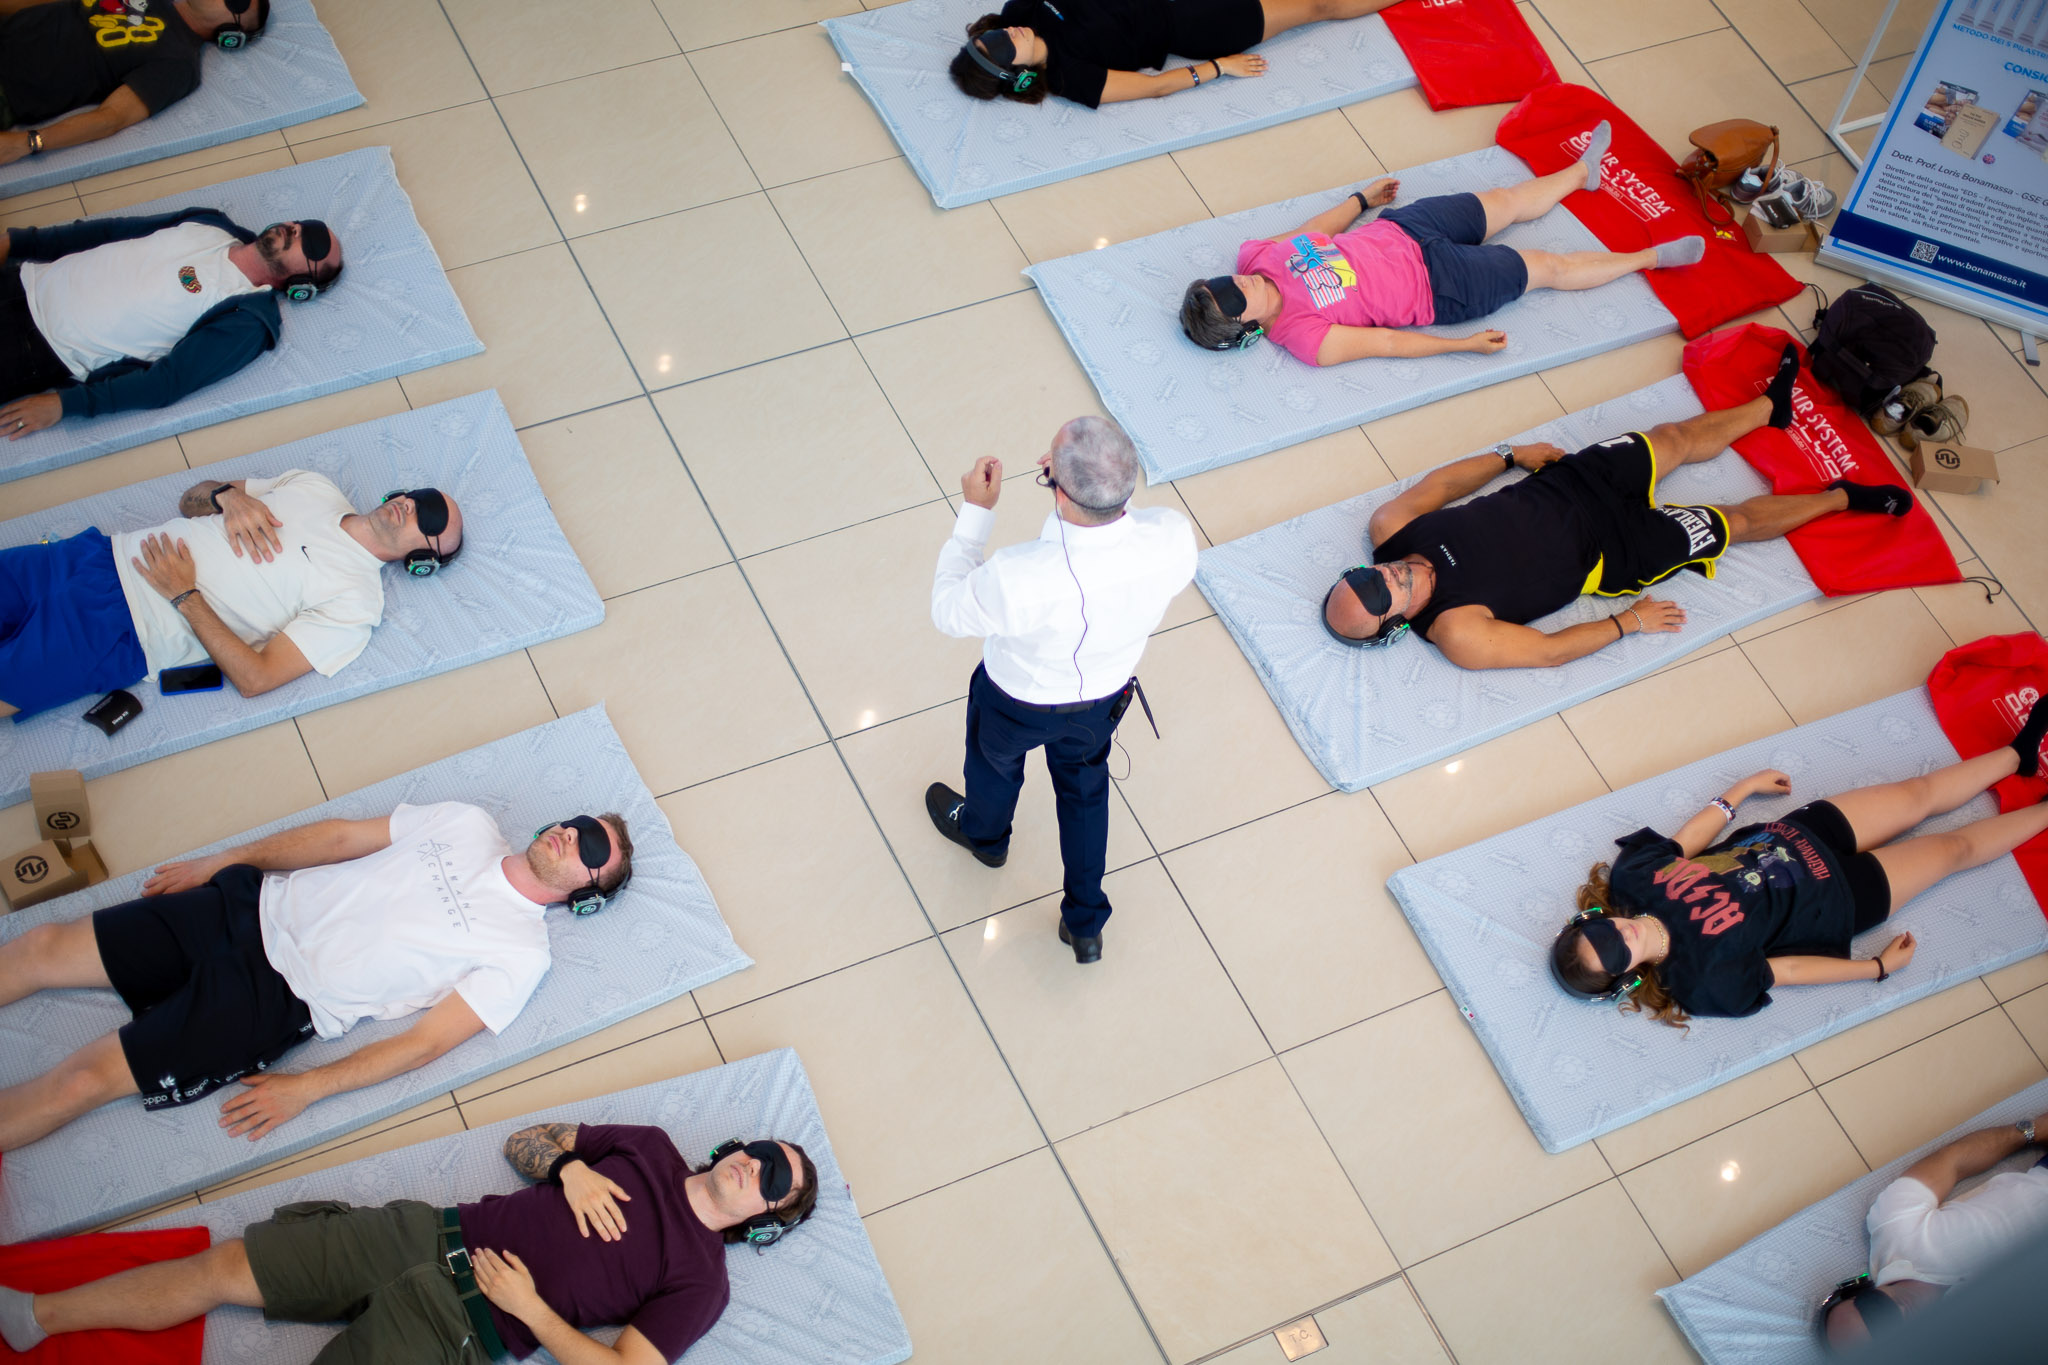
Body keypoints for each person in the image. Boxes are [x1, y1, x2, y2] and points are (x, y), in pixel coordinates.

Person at [0, 805, 634, 1151]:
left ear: (586, 897)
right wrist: (226, 859)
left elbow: (424, 1044)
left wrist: (308, 1088)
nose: (570, 835)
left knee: (82, 1081)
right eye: (577, 824)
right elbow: (337, 839)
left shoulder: (523, 954)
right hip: (245, 906)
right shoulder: (468, 822)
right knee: (42, 946)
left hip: (274, 1000)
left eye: (591, 850)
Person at [0, 1117, 816, 1364]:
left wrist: (533, 1308)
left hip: (462, 1325)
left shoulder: (702, 1280)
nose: (756, 1164)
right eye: (761, 1150)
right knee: (226, 1265)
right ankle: (35, 1315)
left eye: (774, 1178)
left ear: (766, 1220)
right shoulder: (650, 1146)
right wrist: (570, 1168)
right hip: (424, 1232)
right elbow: (526, 1140)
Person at [1318, 344, 1920, 668]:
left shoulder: (1390, 527)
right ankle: (1842, 497)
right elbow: (1549, 652)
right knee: (1729, 521)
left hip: (1570, 484)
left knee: (1672, 437)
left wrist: (1510, 455)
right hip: (1614, 553)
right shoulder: (1456, 631)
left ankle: (1771, 409)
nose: (1383, 577)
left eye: (1363, 576)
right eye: (1378, 597)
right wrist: (1627, 623)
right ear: (1394, 628)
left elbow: (1443, 485)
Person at [1548, 698, 2048, 1025]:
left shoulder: (1634, 878)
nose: (1623, 934)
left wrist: (1741, 789)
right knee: (1951, 850)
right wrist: (1874, 968)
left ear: (1593, 919)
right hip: (1839, 901)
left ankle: (2017, 754)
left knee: (1916, 795)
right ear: (1628, 978)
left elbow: (1686, 841)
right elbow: (1786, 970)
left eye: (1603, 932)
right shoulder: (1700, 980)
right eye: (1616, 953)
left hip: (1797, 836)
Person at [926, 416, 1196, 963]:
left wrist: (975, 514)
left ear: (1059, 491)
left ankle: (986, 839)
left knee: (993, 767)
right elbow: (1123, 527)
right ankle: (1085, 923)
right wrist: (1082, 478)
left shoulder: (1019, 575)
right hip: (1102, 701)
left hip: (1014, 702)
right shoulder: (1171, 535)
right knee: (1085, 795)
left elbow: (947, 611)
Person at [1178, 127, 1709, 367]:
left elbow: (1315, 228)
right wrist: (1463, 346)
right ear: (1246, 327)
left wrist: (1362, 200)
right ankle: (1652, 258)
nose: (1237, 281)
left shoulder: (1254, 257)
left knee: (1503, 200)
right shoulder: (1303, 337)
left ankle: (1581, 173)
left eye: (1221, 282)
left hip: (1404, 229)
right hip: (1441, 285)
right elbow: (1387, 343)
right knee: (1547, 266)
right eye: (1233, 296)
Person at [0, 474, 463, 721]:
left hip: (122, 630)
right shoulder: (316, 487)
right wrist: (227, 496)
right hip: (93, 556)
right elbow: (191, 499)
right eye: (418, 495)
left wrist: (184, 594)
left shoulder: (356, 604)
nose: (411, 504)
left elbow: (256, 678)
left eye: (429, 518)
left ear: (423, 560)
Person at [0, 212, 343, 436]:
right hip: (21, 279)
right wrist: (18, 242)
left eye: (311, 244)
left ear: (302, 287)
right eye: (303, 224)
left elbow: (167, 382)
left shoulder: (248, 320)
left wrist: (66, 404)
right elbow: (111, 232)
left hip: (36, 347)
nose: (295, 228)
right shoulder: (211, 223)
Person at [1819, 1105, 2048, 1350]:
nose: (1901, 1313)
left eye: (1875, 1310)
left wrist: (2033, 1130)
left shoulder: (1894, 1229)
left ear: (1860, 1292)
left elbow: (1954, 1161)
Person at [951, 0, 1406, 110]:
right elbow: (1155, 86)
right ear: (1016, 73)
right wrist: (1218, 68)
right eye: (1003, 46)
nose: (1006, 33)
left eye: (991, 35)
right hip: (1195, 19)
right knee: (1316, 5)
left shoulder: (1021, 11)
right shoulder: (1071, 75)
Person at [0, 0, 268, 167]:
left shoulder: (179, 64)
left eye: (238, 2)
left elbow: (111, 118)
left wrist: (27, 143)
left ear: (231, 35)